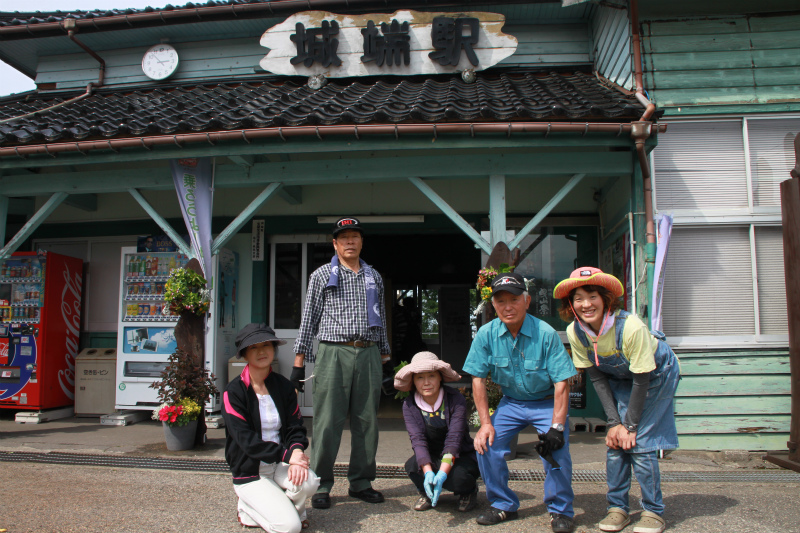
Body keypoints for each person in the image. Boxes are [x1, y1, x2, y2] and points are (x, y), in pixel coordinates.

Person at [554, 267, 680, 533]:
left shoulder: (631, 327)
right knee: (615, 442)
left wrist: (630, 426)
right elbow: (597, 379)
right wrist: (614, 423)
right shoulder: (575, 332)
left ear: (606, 299)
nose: (586, 304)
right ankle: (617, 508)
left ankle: (653, 512)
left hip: (656, 376)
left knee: (640, 443)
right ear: (570, 304)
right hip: (620, 377)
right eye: (578, 298)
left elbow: (642, 380)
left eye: (592, 296)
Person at [463, 272, 577, 532]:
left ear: (527, 301)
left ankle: (560, 511)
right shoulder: (486, 334)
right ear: (493, 306)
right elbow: (477, 379)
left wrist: (557, 427)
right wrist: (485, 424)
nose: (507, 307)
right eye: (501, 301)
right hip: (512, 402)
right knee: (486, 443)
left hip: (546, 402)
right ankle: (503, 504)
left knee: (555, 448)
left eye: (514, 300)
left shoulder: (545, 333)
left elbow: (562, 383)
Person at [290, 217, 391, 509]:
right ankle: (320, 484)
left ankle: (361, 482)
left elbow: (381, 319)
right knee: (327, 422)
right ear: (335, 244)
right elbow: (308, 319)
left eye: (354, 236)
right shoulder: (322, 275)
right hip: (333, 352)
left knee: (367, 421)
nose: (350, 241)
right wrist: (298, 363)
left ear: (361, 242)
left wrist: (385, 357)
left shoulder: (374, 276)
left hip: (368, 352)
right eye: (343, 237)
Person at [221, 323, 320, 533]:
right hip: (251, 471)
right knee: (290, 528)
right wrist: (287, 456)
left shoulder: (284, 386)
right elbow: (246, 441)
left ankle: (290, 509)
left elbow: (295, 426)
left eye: (266, 345)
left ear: (274, 349)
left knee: (310, 482)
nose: (261, 351)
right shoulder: (234, 393)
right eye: (254, 347)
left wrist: (296, 452)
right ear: (244, 354)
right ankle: (247, 508)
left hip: (279, 464)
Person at [394, 351, 480, 513]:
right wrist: (428, 472)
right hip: (432, 455)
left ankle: (468, 491)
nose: (426, 382)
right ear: (413, 381)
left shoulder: (456, 399)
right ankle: (426, 492)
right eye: (420, 377)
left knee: (459, 478)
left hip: (459, 455)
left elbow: (454, 438)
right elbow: (417, 440)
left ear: (440, 377)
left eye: (431, 376)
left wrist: (442, 473)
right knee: (412, 466)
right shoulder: (409, 404)